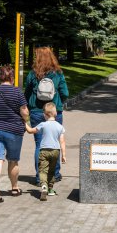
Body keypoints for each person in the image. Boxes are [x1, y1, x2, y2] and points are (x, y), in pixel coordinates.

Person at [0, 65, 29, 203]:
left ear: (0, 77)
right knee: (13, 160)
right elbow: (24, 112)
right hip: (13, 131)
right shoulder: (17, 92)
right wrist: (25, 120)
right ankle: (14, 188)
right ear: (11, 77)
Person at [24, 46, 69, 187]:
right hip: (55, 113)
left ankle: (39, 177)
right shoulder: (58, 74)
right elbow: (65, 93)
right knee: (55, 143)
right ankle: (54, 174)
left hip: (37, 112)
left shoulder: (32, 74)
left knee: (39, 145)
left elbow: (26, 93)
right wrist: (58, 102)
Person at [25, 102, 66, 201]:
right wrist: (63, 155)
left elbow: (30, 131)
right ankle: (51, 189)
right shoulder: (60, 127)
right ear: (55, 113)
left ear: (44, 114)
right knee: (52, 170)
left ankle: (44, 186)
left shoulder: (43, 124)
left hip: (44, 150)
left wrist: (24, 122)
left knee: (43, 170)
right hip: (56, 151)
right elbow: (62, 141)